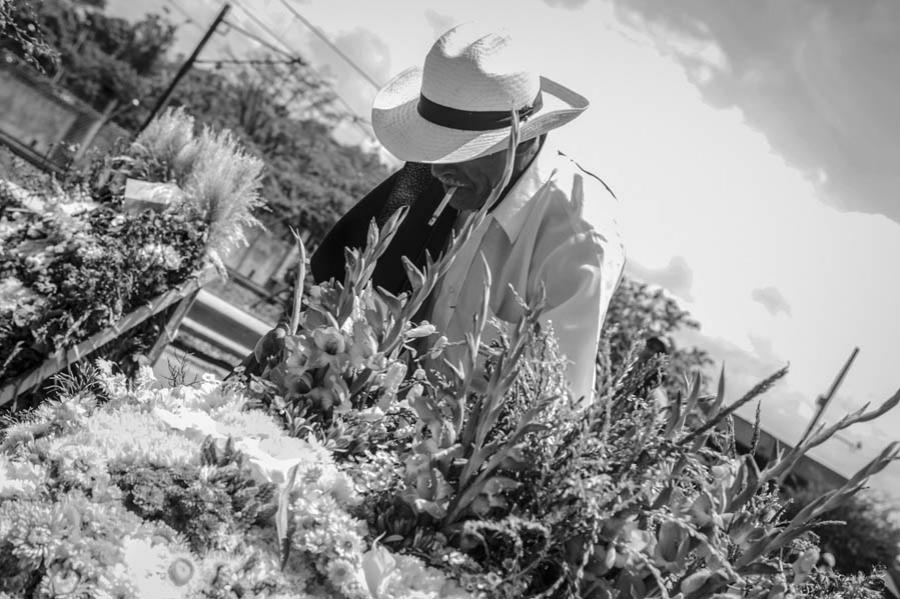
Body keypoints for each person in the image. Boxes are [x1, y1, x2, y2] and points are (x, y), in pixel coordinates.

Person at [245, 22, 626, 404]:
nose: (437, 169)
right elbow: (336, 286)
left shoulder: (578, 238)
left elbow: (555, 402)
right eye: (433, 149)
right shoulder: (429, 179)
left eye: (462, 149)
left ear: (523, 136)